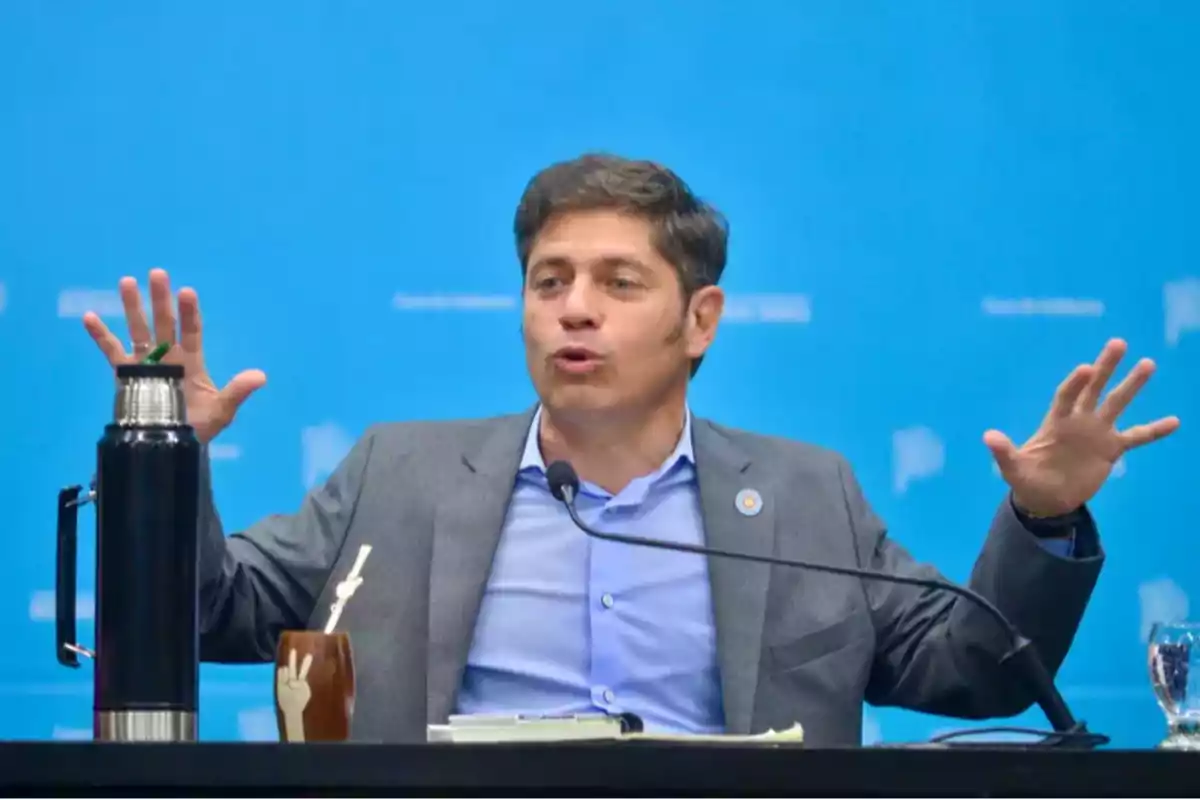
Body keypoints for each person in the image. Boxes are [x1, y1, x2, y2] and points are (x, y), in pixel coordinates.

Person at [83, 154, 1179, 746]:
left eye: (618, 283)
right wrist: (160, 453)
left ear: (700, 321)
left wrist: (1042, 517)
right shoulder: (400, 472)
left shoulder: (805, 496)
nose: (574, 310)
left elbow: (976, 671)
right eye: (549, 281)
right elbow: (208, 611)